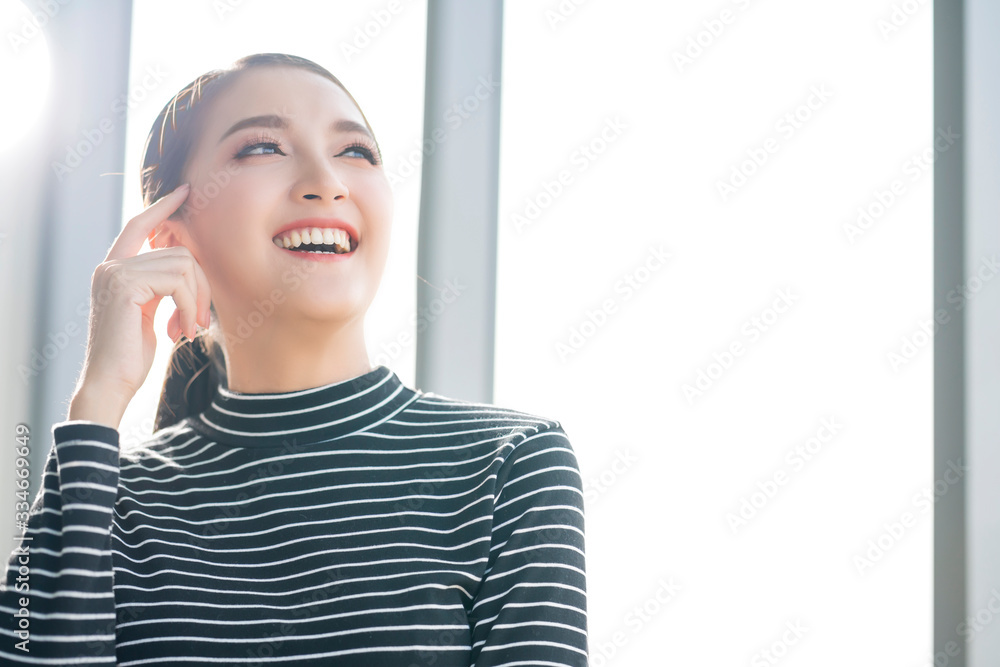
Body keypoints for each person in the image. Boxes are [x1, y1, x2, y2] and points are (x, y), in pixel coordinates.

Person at [0, 53, 588, 665]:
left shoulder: (507, 465)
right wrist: (96, 403)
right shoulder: (105, 500)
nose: (327, 181)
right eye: (262, 148)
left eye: (355, 151)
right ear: (171, 237)